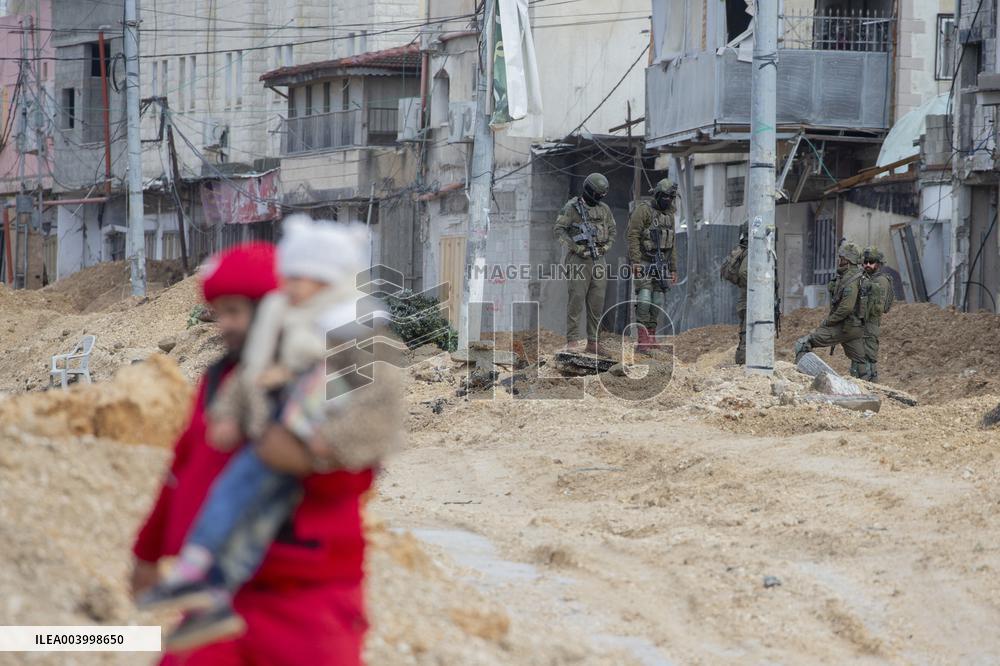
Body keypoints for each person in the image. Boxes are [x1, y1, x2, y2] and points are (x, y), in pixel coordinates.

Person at [131, 239, 398, 665]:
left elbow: (357, 466)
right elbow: (181, 468)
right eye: (219, 313)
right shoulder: (220, 381)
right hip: (217, 601)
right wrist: (147, 553)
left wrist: (301, 455)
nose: (224, 326)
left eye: (234, 312)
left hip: (306, 602)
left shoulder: (329, 373)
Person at [554, 172, 618, 356]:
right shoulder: (572, 208)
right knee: (576, 301)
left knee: (597, 303)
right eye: (597, 194)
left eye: (601, 195)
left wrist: (606, 247)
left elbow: (612, 230)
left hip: (599, 260)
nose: (599, 198)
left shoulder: (604, 209)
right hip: (579, 259)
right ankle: (572, 341)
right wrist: (576, 248)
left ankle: (593, 342)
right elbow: (559, 231)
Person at [794, 241, 871, 378]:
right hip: (855, 327)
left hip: (843, 327)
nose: (839, 260)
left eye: (841, 258)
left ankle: (802, 379)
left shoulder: (850, 280)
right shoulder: (857, 277)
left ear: (847, 260)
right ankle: (867, 386)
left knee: (804, 343)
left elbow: (846, 308)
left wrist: (828, 321)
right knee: (860, 362)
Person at [627, 178, 678, 352]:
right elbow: (633, 235)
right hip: (644, 261)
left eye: (671, 197)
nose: (668, 200)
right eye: (665, 197)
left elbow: (672, 244)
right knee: (645, 298)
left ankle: (651, 334)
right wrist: (635, 261)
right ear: (657, 195)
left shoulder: (669, 215)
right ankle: (642, 339)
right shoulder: (643, 211)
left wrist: (673, 268)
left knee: (657, 300)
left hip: (661, 263)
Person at [862, 246, 893, 381]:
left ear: (878, 264)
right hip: (863, 325)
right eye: (865, 261)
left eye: (872, 261)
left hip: (870, 325)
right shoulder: (866, 278)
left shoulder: (880, 281)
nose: (868, 264)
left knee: (868, 360)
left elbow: (877, 308)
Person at [719, 222, 749, 364]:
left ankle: (742, 362)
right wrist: (757, 289)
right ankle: (743, 363)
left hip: (745, 300)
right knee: (747, 334)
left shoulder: (742, 250)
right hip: (750, 300)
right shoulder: (750, 252)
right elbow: (744, 273)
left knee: (745, 333)